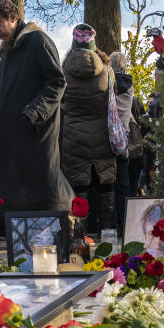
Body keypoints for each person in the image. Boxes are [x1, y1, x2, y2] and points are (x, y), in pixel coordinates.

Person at [0, 0, 71, 225]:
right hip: (13, 135)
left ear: (13, 17)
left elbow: (56, 82)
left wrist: (34, 113)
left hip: (35, 133)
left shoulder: (37, 40)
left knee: (39, 193)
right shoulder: (10, 50)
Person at [61, 24, 117, 233]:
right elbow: (114, 97)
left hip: (73, 137)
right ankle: (109, 231)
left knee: (79, 185)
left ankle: (80, 234)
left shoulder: (64, 69)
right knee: (106, 184)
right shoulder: (107, 70)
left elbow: (60, 99)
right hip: (103, 136)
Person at [109, 51, 136, 230]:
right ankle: (125, 224)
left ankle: (110, 223)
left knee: (109, 185)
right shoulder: (130, 86)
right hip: (123, 139)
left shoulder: (108, 85)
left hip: (108, 138)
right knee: (123, 184)